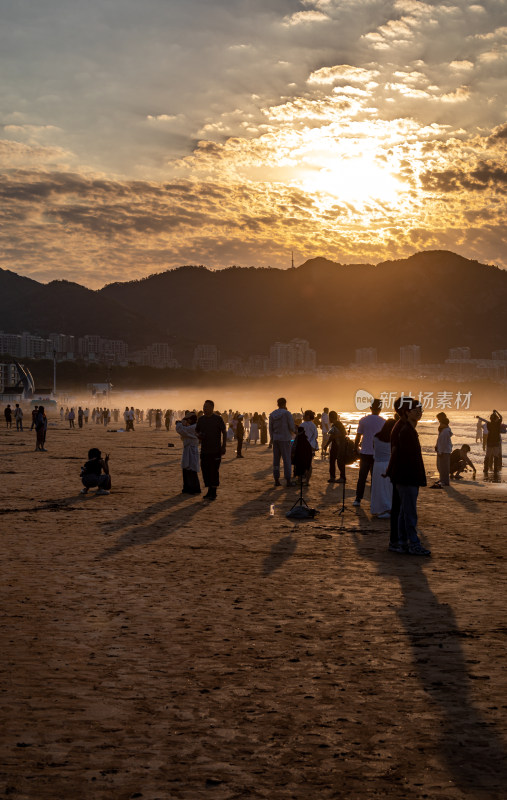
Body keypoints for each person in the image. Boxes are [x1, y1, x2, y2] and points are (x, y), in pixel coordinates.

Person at [386, 397, 431, 556]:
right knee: (408, 514)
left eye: (421, 410)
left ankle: (401, 543)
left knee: (404, 513)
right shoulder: (404, 430)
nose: (419, 413)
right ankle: (411, 544)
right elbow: (401, 456)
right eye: (416, 410)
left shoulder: (406, 428)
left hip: (405, 477)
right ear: (406, 412)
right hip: (406, 478)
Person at [353, 398, 386, 506]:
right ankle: (374, 500)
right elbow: (384, 439)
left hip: (365, 453)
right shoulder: (383, 422)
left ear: (371, 408)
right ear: (380, 409)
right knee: (375, 479)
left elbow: (358, 436)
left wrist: (355, 448)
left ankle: (358, 499)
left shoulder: (363, 420)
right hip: (377, 454)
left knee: (362, 477)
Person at [195, 399, 226, 501]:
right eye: (204, 406)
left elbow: (224, 432)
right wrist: (199, 435)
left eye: (206, 406)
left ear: (212, 408)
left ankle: (213, 492)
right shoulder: (201, 419)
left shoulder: (218, 419)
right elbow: (196, 431)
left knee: (214, 471)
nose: (204, 408)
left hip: (216, 450)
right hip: (204, 450)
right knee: (205, 470)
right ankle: (209, 491)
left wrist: (223, 446)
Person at [371, 418, 396, 518]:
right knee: (389, 488)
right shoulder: (393, 438)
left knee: (378, 488)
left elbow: (374, 448)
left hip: (377, 464)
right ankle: (388, 508)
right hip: (389, 464)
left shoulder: (376, 437)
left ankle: (379, 508)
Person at [269, 397, 296, 487]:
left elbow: (270, 428)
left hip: (276, 438)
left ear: (278, 404)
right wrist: (296, 431)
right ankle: (288, 480)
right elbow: (291, 427)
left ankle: (276, 479)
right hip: (285, 438)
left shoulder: (272, 414)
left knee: (276, 460)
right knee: (286, 460)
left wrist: (272, 439)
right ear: (285, 404)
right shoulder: (287, 413)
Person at [175, 414, 201, 495]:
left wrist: (179, 423)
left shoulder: (194, 427)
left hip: (191, 450)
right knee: (186, 468)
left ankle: (194, 488)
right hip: (189, 450)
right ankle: (187, 487)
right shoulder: (192, 427)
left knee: (191, 470)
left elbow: (182, 430)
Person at [431, 411, 452, 488]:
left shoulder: (445, 430)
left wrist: (440, 451)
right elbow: (440, 440)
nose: (439, 421)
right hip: (442, 449)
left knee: (444, 467)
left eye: (439, 420)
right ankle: (442, 479)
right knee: (440, 466)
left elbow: (443, 442)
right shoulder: (443, 429)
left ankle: (445, 481)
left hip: (444, 450)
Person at [324, 411, 347, 483]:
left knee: (340, 461)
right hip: (335, 445)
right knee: (332, 461)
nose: (328, 419)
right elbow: (331, 436)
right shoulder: (334, 425)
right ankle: (332, 477)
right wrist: (327, 444)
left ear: (331, 417)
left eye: (329, 418)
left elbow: (344, 433)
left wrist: (335, 436)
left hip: (339, 445)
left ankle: (342, 477)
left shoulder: (338, 424)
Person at [301, 410, 318, 484]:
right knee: (309, 464)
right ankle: (307, 481)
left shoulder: (303, 425)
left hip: (304, 446)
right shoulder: (313, 425)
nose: (303, 416)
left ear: (307, 416)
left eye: (304, 415)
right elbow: (316, 436)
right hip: (312, 447)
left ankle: (302, 479)